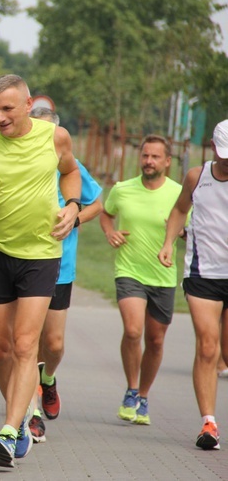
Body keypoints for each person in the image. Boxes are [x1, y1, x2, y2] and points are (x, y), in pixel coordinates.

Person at [0, 74, 81, 468]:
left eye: (7, 108)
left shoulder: (55, 137)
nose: (0, 117)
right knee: (0, 348)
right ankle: (20, 416)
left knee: (26, 345)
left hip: (41, 253)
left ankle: (8, 430)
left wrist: (72, 207)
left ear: (27, 105)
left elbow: (71, 172)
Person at [26, 107, 103, 443]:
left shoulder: (68, 165)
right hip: (24, 262)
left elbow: (97, 202)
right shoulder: (19, 162)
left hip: (60, 265)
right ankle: (32, 414)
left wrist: (76, 219)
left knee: (53, 344)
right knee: (26, 343)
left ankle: (49, 378)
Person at [100, 134, 181, 427]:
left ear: (167, 162)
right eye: (145, 156)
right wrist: (110, 232)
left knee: (156, 340)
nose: (149, 161)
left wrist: (175, 239)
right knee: (133, 331)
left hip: (163, 274)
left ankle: (144, 396)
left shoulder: (178, 193)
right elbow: (106, 214)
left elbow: (186, 225)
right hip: (129, 270)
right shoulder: (122, 189)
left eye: (155, 157)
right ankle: (131, 390)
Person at [158, 119, 228, 451]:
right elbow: (178, 210)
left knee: (226, 351)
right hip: (202, 275)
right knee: (208, 345)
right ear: (214, 148)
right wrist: (169, 243)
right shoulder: (197, 177)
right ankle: (209, 423)